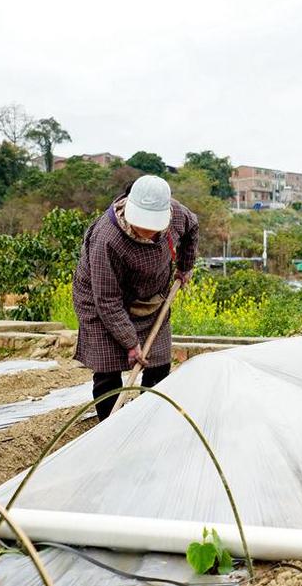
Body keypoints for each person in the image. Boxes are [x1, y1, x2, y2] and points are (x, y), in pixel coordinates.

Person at [72, 175, 199, 421]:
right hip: (101, 302)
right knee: (108, 370)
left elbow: (192, 227)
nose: (149, 231)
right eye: (143, 224)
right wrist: (130, 342)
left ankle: (147, 424)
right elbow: (107, 300)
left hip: (151, 298)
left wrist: (185, 266)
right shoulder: (107, 239)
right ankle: (110, 428)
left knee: (158, 364)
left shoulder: (176, 215)